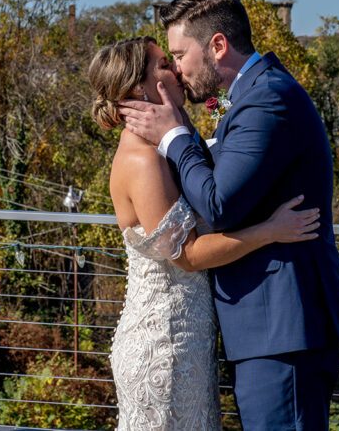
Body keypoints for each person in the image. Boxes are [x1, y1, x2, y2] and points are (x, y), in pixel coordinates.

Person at [119, 0, 339, 431]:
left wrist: (174, 136)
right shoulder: (248, 95)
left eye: (179, 55)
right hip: (268, 328)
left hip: (285, 328)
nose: (178, 70)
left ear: (217, 46)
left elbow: (220, 205)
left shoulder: (264, 100)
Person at [89, 35, 322, 430]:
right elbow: (189, 254)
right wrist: (269, 231)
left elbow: (222, 135)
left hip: (190, 338)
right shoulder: (142, 160)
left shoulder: (167, 138)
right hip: (164, 344)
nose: (177, 70)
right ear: (138, 88)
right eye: (165, 64)